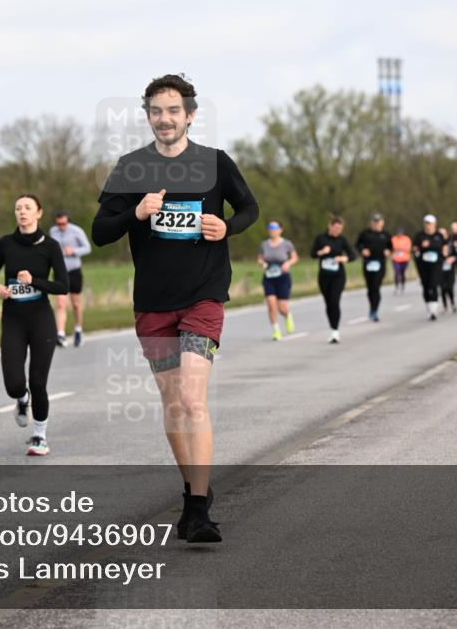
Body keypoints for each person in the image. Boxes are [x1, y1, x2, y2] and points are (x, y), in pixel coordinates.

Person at [92, 74, 258, 543]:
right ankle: (192, 495)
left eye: (173, 111)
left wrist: (227, 227)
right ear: (148, 116)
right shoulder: (131, 168)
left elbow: (250, 209)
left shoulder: (215, 163)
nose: (165, 119)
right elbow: (99, 231)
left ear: (190, 115)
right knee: (172, 404)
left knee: (191, 398)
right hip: (153, 303)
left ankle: (200, 510)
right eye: (156, 111)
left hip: (203, 296)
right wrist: (136, 214)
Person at [0, 195, 68, 456]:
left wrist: (35, 281)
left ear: (39, 213)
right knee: (14, 383)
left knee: (38, 382)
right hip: (12, 319)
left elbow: (62, 286)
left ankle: (39, 436)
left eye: (27, 208)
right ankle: (21, 400)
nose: (22, 212)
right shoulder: (5, 244)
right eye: (18, 208)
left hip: (41, 319)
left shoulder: (51, 246)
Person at [49, 211, 91, 347]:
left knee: (76, 304)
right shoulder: (53, 231)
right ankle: (60, 334)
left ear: (68, 221)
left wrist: (73, 251)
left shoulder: (76, 231)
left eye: (63, 223)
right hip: (59, 271)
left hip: (74, 270)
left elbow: (87, 248)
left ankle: (78, 329)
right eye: (58, 223)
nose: (61, 226)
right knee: (61, 303)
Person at [310, 215, 356, 342]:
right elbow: (312, 254)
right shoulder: (321, 238)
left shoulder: (342, 240)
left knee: (335, 301)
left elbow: (353, 255)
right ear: (330, 226)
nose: (337, 231)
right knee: (328, 303)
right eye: (335, 228)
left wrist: (342, 258)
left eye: (340, 229)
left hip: (338, 276)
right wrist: (322, 252)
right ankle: (332, 327)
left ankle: (335, 331)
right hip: (324, 276)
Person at [257, 220, 297, 339]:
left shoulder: (287, 244)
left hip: (283, 277)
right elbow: (259, 259)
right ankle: (276, 331)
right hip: (269, 277)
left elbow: (294, 258)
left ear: (280, 230)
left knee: (282, 307)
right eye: (270, 228)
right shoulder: (264, 244)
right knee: (271, 304)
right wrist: (262, 263)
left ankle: (287, 315)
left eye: (274, 228)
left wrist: (288, 263)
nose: (272, 230)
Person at [354, 213, 392, 322]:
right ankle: (372, 307)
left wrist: (388, 251)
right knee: (370, 288)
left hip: (380, 263)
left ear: (382, 223)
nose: (376, 224)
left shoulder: (386, 234)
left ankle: (374, 310)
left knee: (376, 287)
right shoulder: (365, 234)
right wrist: (362, 251)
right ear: (371, 223)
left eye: (378, 222)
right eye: (374, 222)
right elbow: (357, 245)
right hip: (368, 263)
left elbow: (391, 247)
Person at [413, 214, 448, 321]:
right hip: (423, 265)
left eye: (430, 223)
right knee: (426, 286)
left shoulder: (439, 235)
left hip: (436, 264)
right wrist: (420, 248)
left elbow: (445, 246)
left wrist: (444, 255)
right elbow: (414, 248)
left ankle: (434, 310)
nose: (428, 226)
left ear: (434, 224)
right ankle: (429, 307)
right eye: (427, 223)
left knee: (434, 284)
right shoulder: (420, 236)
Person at [439, 227, 457, 313]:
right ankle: (445, 306)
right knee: (442, 288)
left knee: (450, 287)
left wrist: (452, 258)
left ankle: (453, 303)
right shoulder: (436, 244)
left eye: (443, 234)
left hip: (450, 269)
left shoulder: (451, 244)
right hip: (440, 269)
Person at [391, 227, 412, 295]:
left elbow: (408, 248)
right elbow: (391, 248)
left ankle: (402, 286)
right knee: (397, 272)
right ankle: (397, 287)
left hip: (404, 259)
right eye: (398, 233)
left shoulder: (407, 239)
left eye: (400, 233)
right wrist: (400, 249)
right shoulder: (393, 239)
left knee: (402, 273)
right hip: (396, 259)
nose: (399, 234)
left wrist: (400, 248)